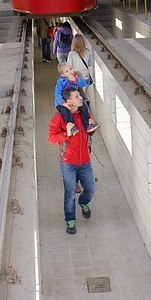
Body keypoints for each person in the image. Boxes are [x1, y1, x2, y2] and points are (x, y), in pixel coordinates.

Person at [48, 86, 97, 234]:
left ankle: (83, 202)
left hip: (85, 161)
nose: (81, 98)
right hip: (68, 162)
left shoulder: (84, 113)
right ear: (69, 101)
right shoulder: (59, 118)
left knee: (91, 189)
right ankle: (70, 220)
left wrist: (91, 130)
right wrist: (66, 134)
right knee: (69, 193)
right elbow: (51, 138)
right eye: (77, 97)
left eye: (80, 96)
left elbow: (88, 127)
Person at [55, 62, 99, 135]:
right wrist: (63, 103)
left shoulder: (75, 78)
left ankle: (88, 124)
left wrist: (75, 80)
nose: (70, 72)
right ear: (62, 75)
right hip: (62, 102)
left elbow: (83, 83)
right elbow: (57, 93)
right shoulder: (60, 82)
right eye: (67, 71)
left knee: (83, 107)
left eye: (70, 69)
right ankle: (72, 126)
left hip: (73, 100)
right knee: (65, 112)